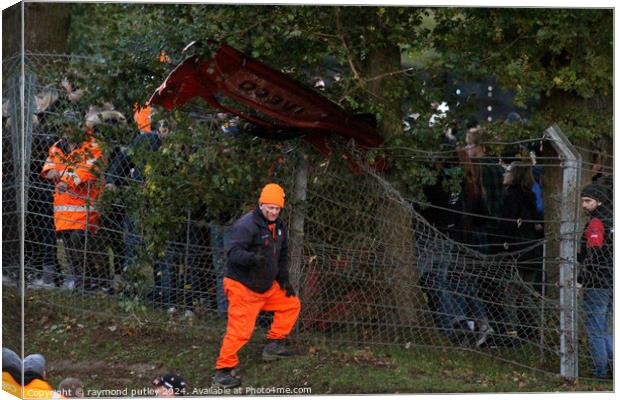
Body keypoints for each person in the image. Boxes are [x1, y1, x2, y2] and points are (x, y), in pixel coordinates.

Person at [212, 183, 301, 389]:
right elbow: (232, 254)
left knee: (291, 304)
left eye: (277, 208)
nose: (272, 212)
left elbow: (282, 256)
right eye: (269, 207)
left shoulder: (279, 226)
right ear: (260, 204)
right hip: (242, 286)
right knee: (240, 331)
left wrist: (284, 280)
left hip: (266, 286)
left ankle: (273, 345)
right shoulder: (247, 225)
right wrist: (253, 258)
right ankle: (222, 371)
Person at [41, 112, 105, 291]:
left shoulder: (92, 146)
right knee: (69, 246)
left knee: (81, 242)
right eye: (65, 127)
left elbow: (87, 171)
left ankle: (95, 280)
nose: (68, 131)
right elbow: (48, 166)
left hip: (84, 205)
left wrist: (63, 178)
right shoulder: (57, 146)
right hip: (63, 207)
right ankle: (80, 281)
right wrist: (51, 172)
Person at [578, 182, 613, 379]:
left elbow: (594, 255)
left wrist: (581, 279)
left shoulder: (597, 223)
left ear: (599, 201)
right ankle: (612, 366)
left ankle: (599, 371)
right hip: (612, 281)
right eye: (582, 200)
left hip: (597, 282)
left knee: (595, 328)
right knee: (605, 326)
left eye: (588, 201)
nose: (584, 205)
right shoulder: (613, 220)